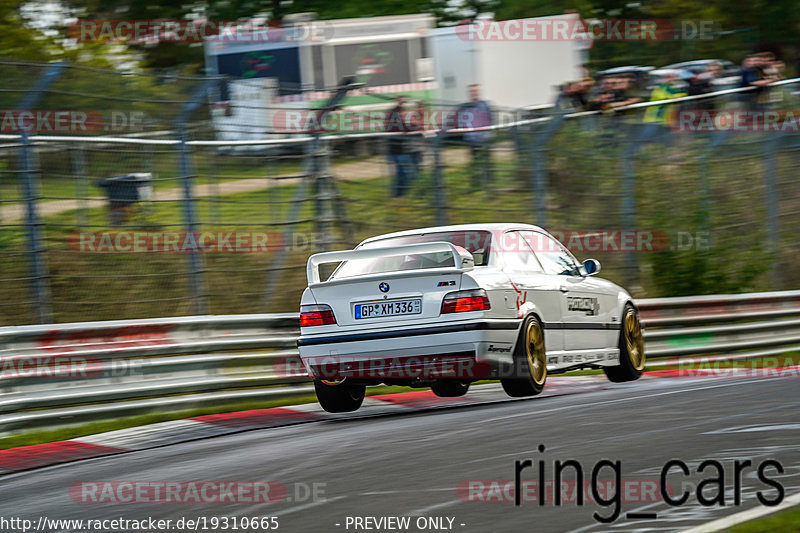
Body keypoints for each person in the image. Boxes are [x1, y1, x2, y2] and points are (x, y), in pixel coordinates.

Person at [460, 84, 493, 190]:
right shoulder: (465, 107)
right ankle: (476, 185)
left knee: (487, 163)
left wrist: (488, 133)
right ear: (469, 93)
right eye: (471, 91)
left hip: (484, 139)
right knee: (475, 163)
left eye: (475, 91)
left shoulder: (485, 105)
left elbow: (490, 120)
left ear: (478, 92)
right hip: (472, 140)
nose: (473, 93)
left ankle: (489, 184)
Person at [642, 70, 686, 142]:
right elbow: (663, 96)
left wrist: (678, 96)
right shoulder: (660, 87)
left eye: (675, 77)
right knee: (645, 138)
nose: (674, 79)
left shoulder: (673, 88)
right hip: (654, 118)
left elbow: (683, 94)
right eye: (670, 77)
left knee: (665, 140)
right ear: (665, 78)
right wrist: (675, 97)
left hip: (664, 119)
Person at [384, 95, 415, 197]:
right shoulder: (395, 114)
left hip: (396, 148)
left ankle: (399, 193)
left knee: (401, 172)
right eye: (401, 102)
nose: (403, 104)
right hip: (398, 149)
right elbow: (403, 127)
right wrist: (414, 127)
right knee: (404, 172)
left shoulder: (395, 114)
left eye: (403, 102)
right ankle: (399, 193)